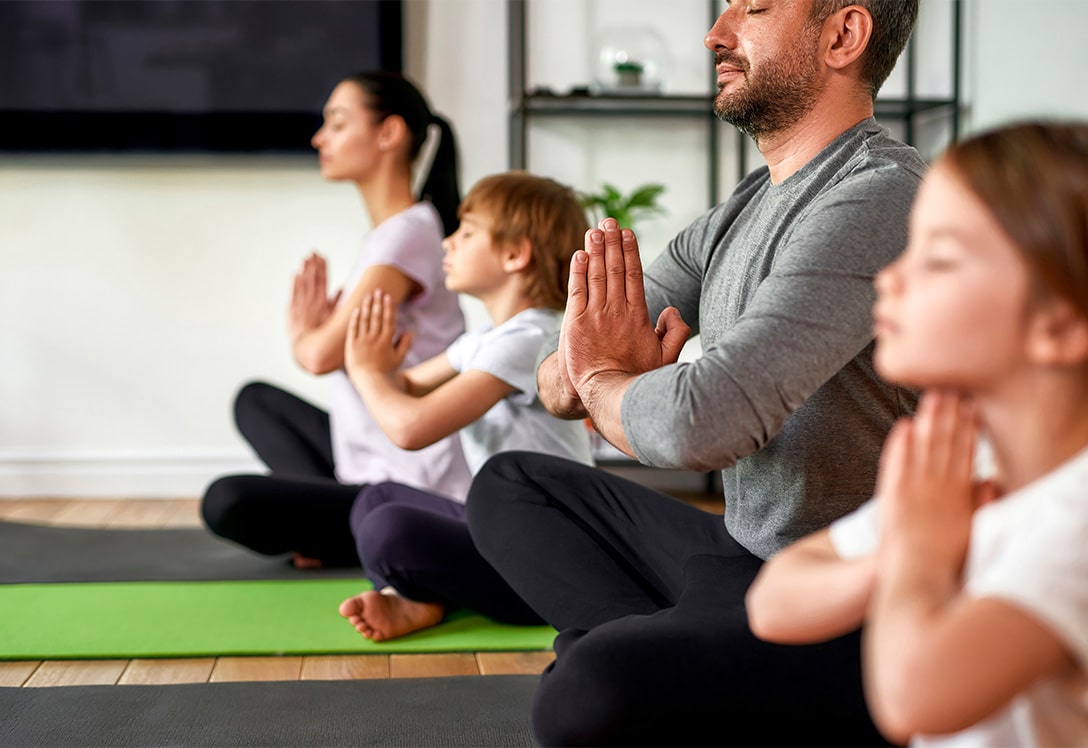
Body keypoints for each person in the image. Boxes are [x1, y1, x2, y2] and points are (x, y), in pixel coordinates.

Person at [465, 1, 926, 745]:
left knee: (583, 698)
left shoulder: (881, 198)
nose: (717, 32)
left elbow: (704, 423)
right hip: (739, 556)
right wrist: (594, 376)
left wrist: (609, 386)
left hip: (851, 602)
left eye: (754, 8)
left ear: (843, 35)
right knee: (511, 488)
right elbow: (560, 370)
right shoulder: (739, 210)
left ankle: (652, 661)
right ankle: (682, 664)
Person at [746, 121, 1088, 748]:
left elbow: (913, 696)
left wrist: (921, 554)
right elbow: (773, 602)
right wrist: (899, 556)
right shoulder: (970, 466)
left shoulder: (1075, 521)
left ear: (1060, 326)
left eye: (939, 258)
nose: (889, 279)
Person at [202, 72, 471, 568]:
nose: (319, 138)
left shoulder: (409, 231)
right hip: (364, 457)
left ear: (388, 134)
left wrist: (306, 332)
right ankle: (338, 529)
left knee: (227, 501)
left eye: (338, 124)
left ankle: (346, 532)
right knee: (257, 402)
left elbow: (321, 354)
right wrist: (321, 334)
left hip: (409, 482)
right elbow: (333, 349)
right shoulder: (393, 234)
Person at [335, 171, 595, 641]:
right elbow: (408, 386)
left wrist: (367, 372)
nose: (448, 244)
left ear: (516, 254)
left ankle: (417, 595)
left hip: (545, 558)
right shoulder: (486, 339)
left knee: (388, 531)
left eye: (467, 232)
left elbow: (410, 427)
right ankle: (417, 598)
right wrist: (378, 365)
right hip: (497, 527)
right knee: (375, 500)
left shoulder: (532, 337)